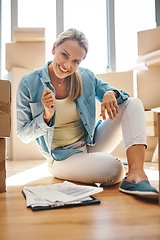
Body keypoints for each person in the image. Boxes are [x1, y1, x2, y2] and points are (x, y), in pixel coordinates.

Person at [17, 28, 158, 200]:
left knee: (133, 103)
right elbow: (23, 134)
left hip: (89, 143)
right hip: (60, 158)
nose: (68, 65)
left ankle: (136, 174)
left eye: (76, 61)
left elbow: (120, 96)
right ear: (54, 49)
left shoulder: (86, 77)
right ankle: (116, 166)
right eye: (64, 55)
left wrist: (110, 94)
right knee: (114, 169)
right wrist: (46, 115)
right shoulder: (28, 83)